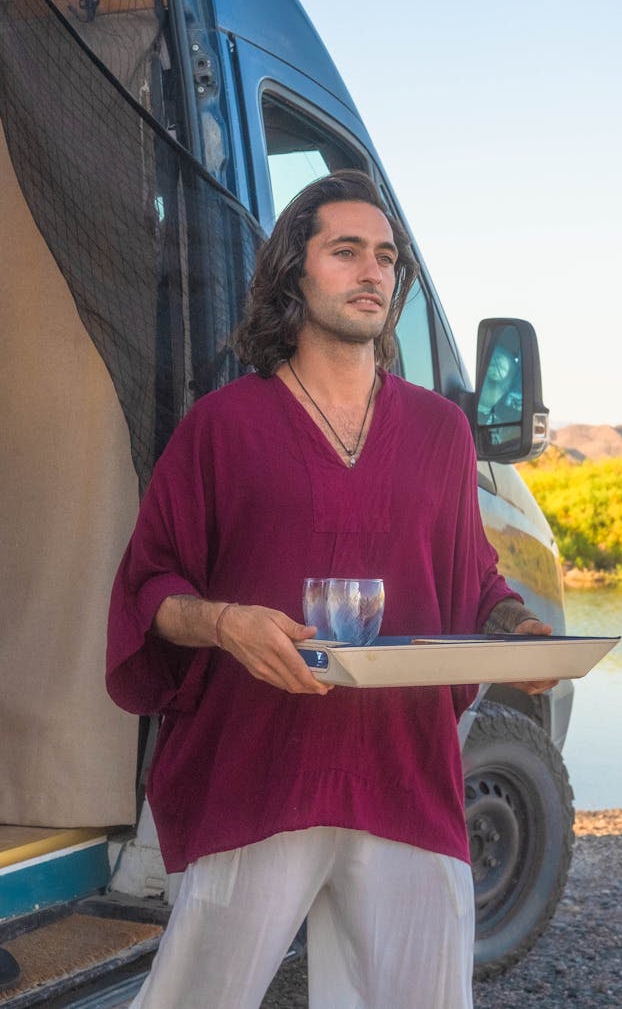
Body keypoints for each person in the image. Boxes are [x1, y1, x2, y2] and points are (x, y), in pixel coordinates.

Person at [106, 170, 553, 1009]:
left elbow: (474, 576)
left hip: (404, 772)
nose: (372, 272)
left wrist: (518, 629)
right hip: (261, 768)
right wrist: (227, 622)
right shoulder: (224, 427)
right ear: (294, 272)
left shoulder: (440, 432)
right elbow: (150, 584)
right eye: (345, 251)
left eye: (385, 257)